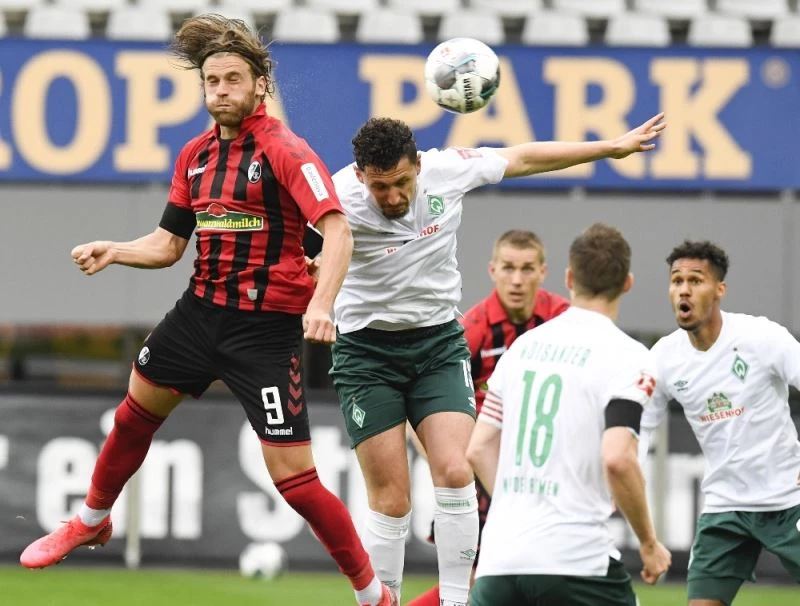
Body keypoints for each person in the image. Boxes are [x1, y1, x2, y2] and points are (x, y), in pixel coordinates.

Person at [19, 15, 395, 606]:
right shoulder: (195, 155)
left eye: (232, 80)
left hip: (264, 331)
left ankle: (373, 595)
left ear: (260, 85)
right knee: (133, 415)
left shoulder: (285, 150)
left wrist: (322, 304)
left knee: (297, 483)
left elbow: (337, 230)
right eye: (212, 81)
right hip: (198, 314)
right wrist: (115, 250)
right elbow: (169, 245)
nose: (221, 91)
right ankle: (91, 519)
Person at [328, 114, 666, 605]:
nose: (395, 197)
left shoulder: (447, 170)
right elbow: (291, 248)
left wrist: (609, 148)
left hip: (436, 344)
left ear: (418, 165)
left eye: (402, 182)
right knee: (392, 499)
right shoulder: (336, 197)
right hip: (365, 349)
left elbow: (523, 156)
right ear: (360, 176)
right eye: (380, 187)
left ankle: (456, 603)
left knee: (455, 472)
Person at [466, 223, 672, 606]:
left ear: (568, 278)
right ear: (627, 283)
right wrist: (648, 542)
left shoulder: (522, 347)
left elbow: (477, 449)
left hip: (499, 557)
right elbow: (618, 458)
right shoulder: (628, 356)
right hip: (575, 559)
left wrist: (512, 505)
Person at [409, 229, 569, 606]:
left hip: (544, 473)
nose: (517, 280)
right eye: (509, 268)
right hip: (484, 473)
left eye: (527, 269)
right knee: (472, 582)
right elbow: (417, 407)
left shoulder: (563, 321)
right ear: (492, 270)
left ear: (543, 272)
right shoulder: (472, 330)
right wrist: (450, 467)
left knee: (545, 576)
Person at [639, 240, 800, 606]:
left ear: (719, 289)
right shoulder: (663, 357)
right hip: (725, 506)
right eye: (676, 280)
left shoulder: (761, 337)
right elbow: (639, 430)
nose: (684, 289)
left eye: (695, 280)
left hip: (789, 498)